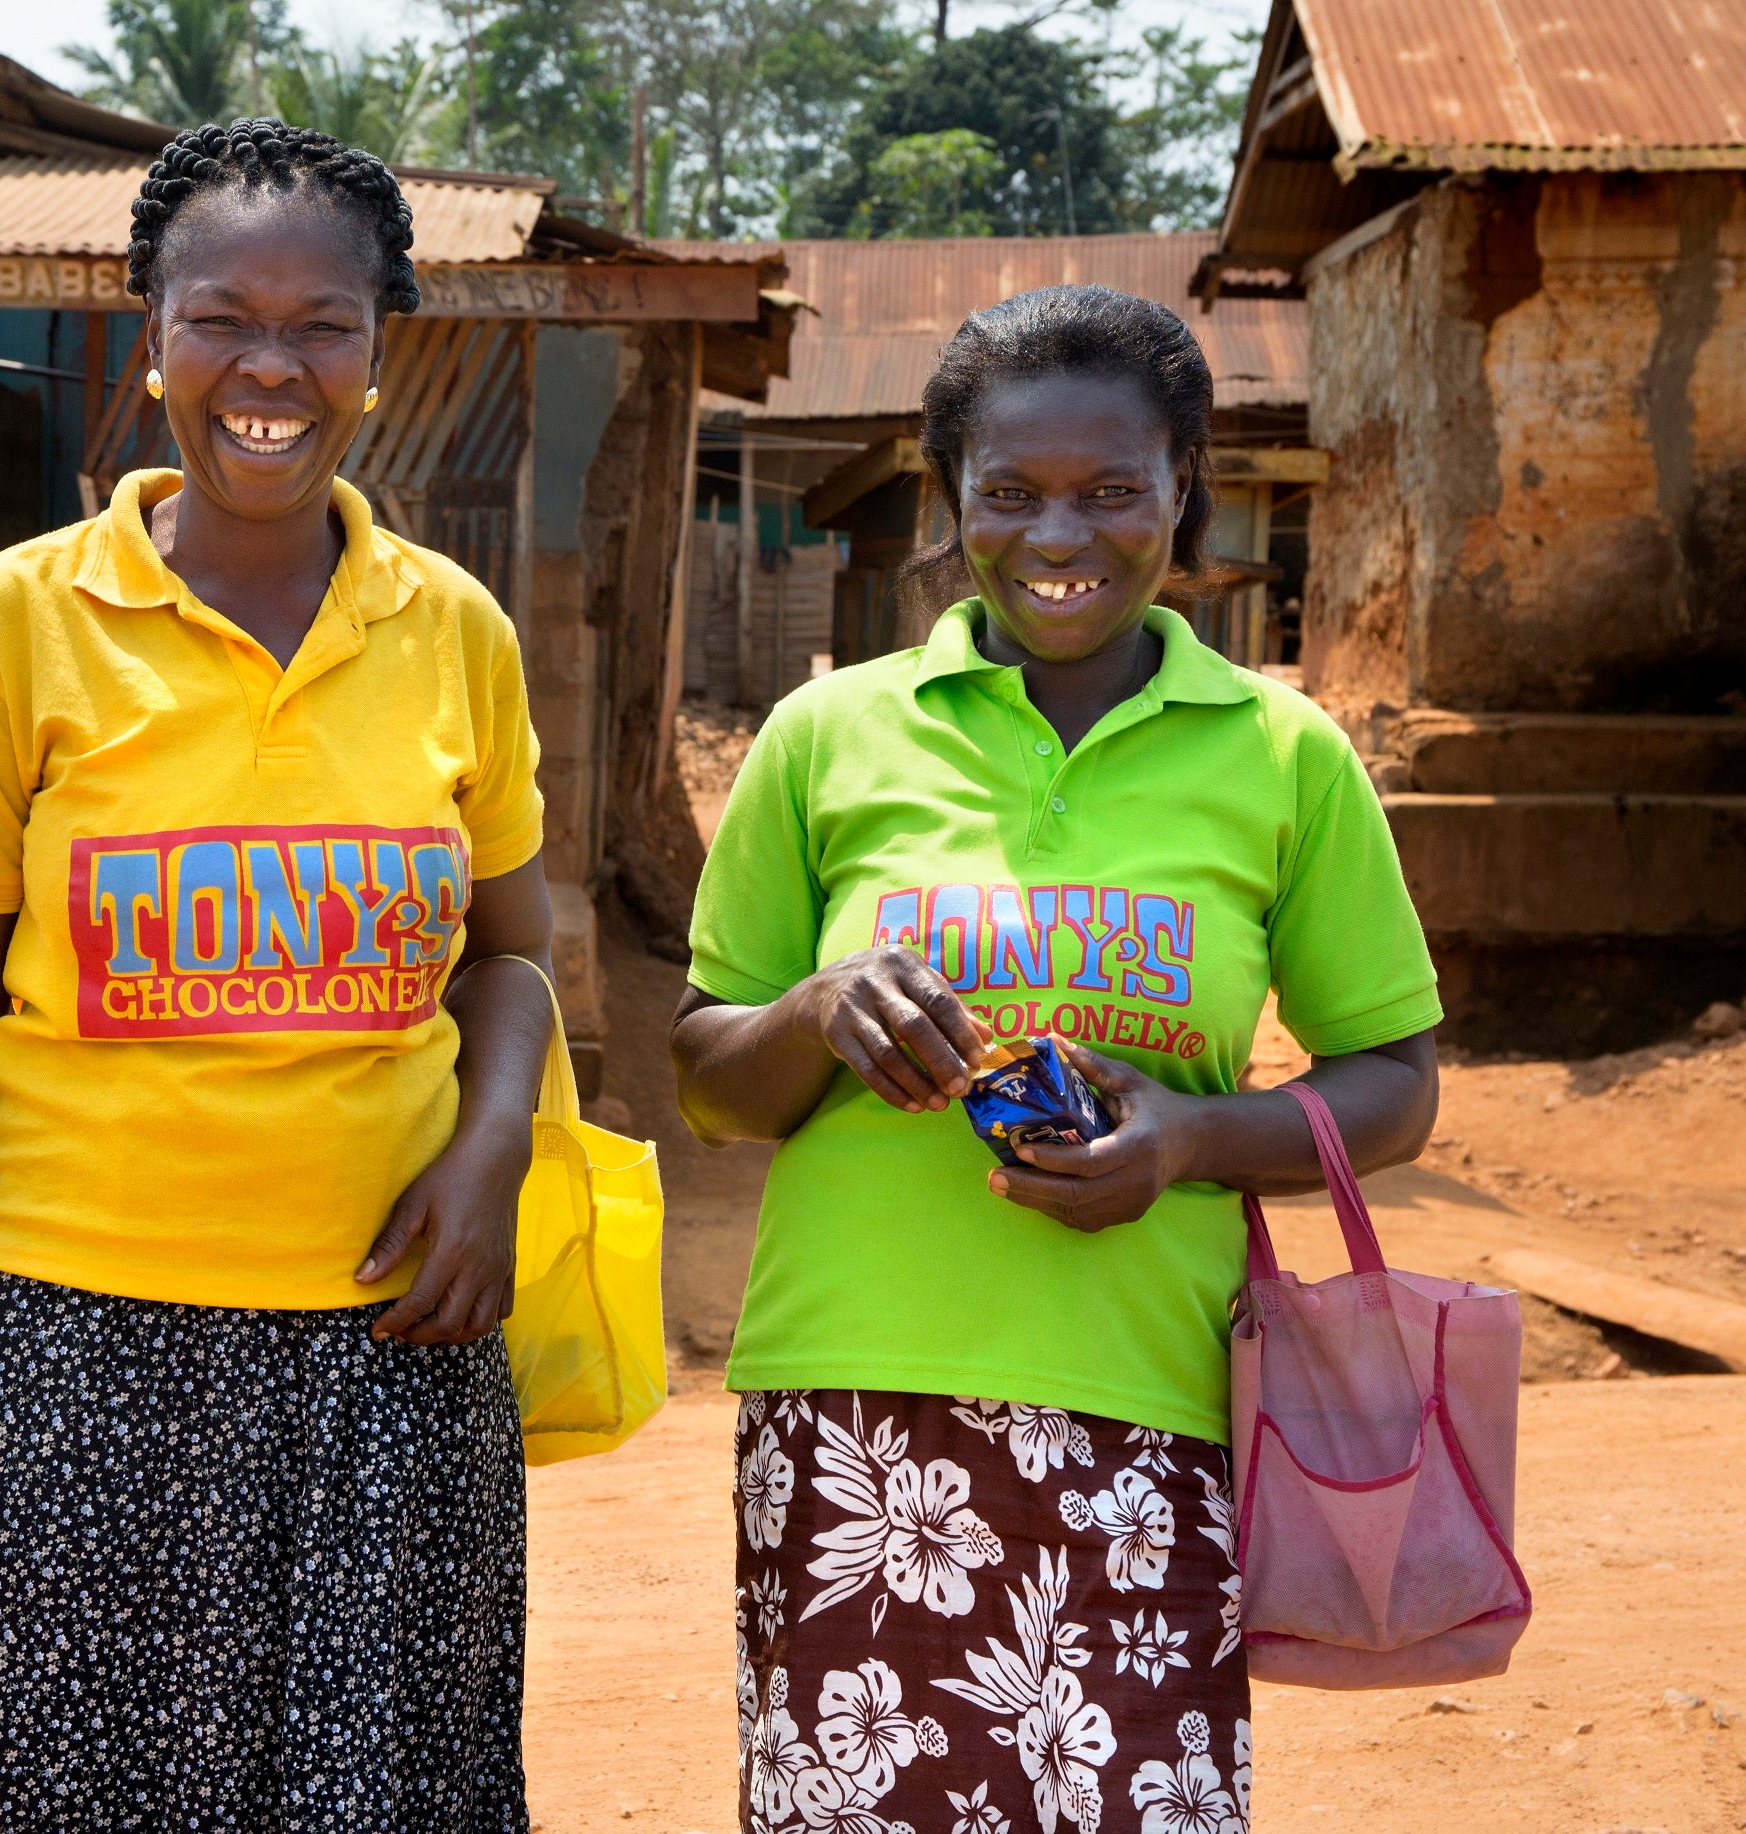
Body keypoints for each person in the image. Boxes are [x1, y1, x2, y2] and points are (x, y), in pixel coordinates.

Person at [0, 119, 556, 1834]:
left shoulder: (454, 633)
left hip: (395, 1354)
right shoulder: (22, 620)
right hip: (76, 1357)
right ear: (150, 339)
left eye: (322, 324)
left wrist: (493, 1138)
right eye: (220, 317)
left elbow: (511, 954)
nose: (267, 366)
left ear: (378, 348)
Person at [671, 285, 1442, 1834]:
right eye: (1007, 494)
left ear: (1183, 494)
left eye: (1111, 490)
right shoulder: (826, 736)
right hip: (856, 1400)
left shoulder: (1280, 754)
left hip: (1151, 1401)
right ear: (950, 503)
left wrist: (1189, 1139)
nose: (1057, 537)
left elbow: (1395, 1083)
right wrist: (819, 1009)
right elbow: (705, 1070)